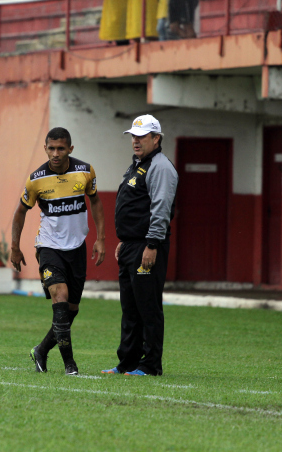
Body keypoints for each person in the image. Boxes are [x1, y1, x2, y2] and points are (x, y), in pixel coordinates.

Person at [10, 127, 106, 376]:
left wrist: (101, 238)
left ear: (70, 149)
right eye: (51, 148)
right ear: (45, 148)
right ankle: (70, 365)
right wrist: (15, 247)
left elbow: (95, 201)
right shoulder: (36, 179)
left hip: (77, 248)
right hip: (49, 247)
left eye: (60, 148)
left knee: (71, 310)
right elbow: (20, 212)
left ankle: (41, 350)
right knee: (60, 296)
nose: (55, 153)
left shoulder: (85, 171)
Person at [103, 114, 177, 376]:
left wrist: (152, 244)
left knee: (148, 307)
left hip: (148, 246)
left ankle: (150, 364)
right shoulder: (137, 165)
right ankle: (128, 362)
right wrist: (125, 241)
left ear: (156, 139)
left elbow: (160, 209)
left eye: (141, 136)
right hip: (132, 246)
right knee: (130, 308)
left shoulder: (161, 167)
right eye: (133, 136)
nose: (135, 141)